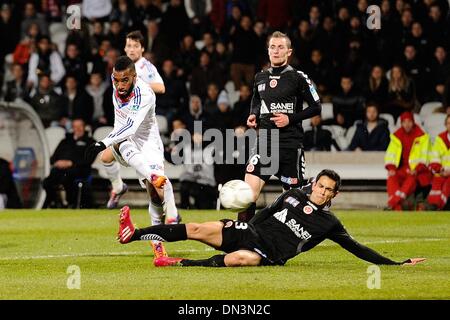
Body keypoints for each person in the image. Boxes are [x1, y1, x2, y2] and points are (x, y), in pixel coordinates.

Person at [117, 169, 425, 268]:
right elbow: (267, 211)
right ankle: (134, 233)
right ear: (314, 185)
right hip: (250, 232)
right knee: (197, 227)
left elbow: (357, 248)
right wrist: (244, 223)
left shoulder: (329, 224)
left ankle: (180, 263)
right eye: (320, 186)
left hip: (267, 253)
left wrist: (396, 265)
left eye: (328, 190)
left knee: (239, 260)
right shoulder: (294, 195)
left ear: (334, 195)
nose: (322, 192)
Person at [84, 56, 180, 260]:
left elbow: (131, 126)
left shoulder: (144, 93)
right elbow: (122, 127)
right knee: (112, 151)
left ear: (135, 77)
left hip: (148, 144)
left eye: (125, 80)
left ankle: (159, 244)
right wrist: (108, 142)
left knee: (156, 195)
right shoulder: (116, 87)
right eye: (116, 80)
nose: (119, 85)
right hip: (126, 142)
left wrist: (102, 142)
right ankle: (126, 184)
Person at [239, 31, 322, 222]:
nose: (276, 51)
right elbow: (257, 99)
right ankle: (241, 237)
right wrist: (253, 114)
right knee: (247, 195)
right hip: (265, 144)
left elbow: (316, 107)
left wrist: (290, 119)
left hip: (290, 145)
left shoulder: (298, 77)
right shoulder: (260, 77)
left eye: (280, 47)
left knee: (294, 204)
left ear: (289, 52)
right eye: (272, 47)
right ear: (268, 51)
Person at [384, 111, 432, 210]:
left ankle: (393, 202)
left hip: (416, 170)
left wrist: (417, 169)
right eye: (404, 122)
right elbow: (390, 154)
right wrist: (391, 168)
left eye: (409, 121)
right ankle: (397, 206)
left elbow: (425, 158)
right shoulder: (396, 136)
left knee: (411, 177)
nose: (407, 124)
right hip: (402, 169)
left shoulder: (422, 137)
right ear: (401, 123)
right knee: (391, 177)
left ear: (413, 122)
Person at [43, 119, 95, 208]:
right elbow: (54, 156)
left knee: (66, 179)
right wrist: (56, 162)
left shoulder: (90, 142)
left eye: (80, 126)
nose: (78, 129)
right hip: (60, 169)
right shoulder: (65, 141)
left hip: (79, 169)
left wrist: (71, 163)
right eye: (75, 126)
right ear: (72, 128)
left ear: (84, 127)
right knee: (47, 181)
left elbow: (88, 160)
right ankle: (53, 203)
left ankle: (71, 203)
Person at [426, 115, 450, 210]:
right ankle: (433, 205)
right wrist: (440, 169)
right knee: (437, 181)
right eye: (449, 123)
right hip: (442, 171)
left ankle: (440, 206)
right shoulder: (440, 139)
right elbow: (434, 158)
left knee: (448, 184)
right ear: (445, 125)